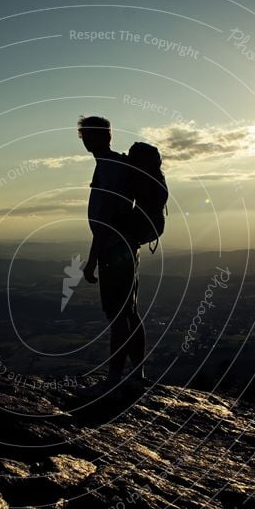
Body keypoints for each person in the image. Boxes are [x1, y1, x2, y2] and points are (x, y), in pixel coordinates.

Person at [78, 115, 146, 396]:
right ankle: (137, 375)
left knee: (118, 314)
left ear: (105, 137)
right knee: (129, 311)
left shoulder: (109, 168)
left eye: (90, 135)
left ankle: (115, 378)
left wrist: (96, 257)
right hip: (123, 248)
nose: (88, 141)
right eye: (85, 136)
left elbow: (107, 218)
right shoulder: (113, 165)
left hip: (115, 250)